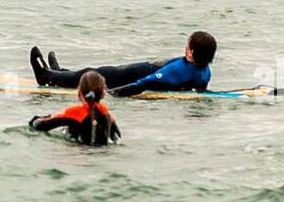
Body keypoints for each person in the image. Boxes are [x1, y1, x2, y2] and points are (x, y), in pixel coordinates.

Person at [29, 31, 217, 98]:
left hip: (135, 74)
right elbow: (199, 88)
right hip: (143, 70)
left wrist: (116, 93)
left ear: (191, 52)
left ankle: (46, 76)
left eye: (187, 44)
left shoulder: (176, 70)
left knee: (95, 74)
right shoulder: (205, 71)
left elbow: (145, 83)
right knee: (93, 72)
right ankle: (60, 73)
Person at [28, 70, 120, 145]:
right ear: (103, 95)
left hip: (78, 157)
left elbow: (41, 126)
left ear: (79, 93)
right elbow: (116, 136)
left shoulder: (76, 113)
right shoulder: (107, 114)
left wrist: (37, 120)